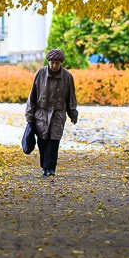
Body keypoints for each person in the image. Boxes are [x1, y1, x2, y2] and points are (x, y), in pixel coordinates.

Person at [25, 48, 78, 177]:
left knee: (54, 142)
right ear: (48, 62)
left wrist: (73, 113)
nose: (54, 65)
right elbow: (33, 95)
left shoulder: (67, 77)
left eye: (57, 63)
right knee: (42, 141)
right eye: (52, 62)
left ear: (61, 63)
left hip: (57, 114)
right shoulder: (40, 73)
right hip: (41, 114)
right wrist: (29, 115)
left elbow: (71, 97)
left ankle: (50, 168)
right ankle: (44, 165)